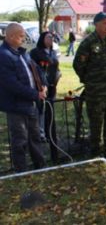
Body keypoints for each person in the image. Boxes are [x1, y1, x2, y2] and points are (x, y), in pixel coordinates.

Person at [73, 12, 106, 160]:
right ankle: (97, 153)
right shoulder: (88, 43)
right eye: (104, 23)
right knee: (97, 124)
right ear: (96, 25)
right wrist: (89, 80)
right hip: (96, 92)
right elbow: (78, 65)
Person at [0, 23, 46, 172]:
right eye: (21, 36)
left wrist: (43, 84)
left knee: (35, 137)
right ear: (11, 36)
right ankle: (21, 172)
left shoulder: (22, 52)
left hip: (31, 103)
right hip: (16, 105)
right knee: (20, 140)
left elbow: (36, 69)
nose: (24, 38)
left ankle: (40, 167)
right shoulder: (3, 55)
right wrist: (35, 94)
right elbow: (11, 84)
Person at [30, 32, 61, 152]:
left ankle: (50, 133)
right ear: (42, 39)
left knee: (50, 109)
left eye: (52, 38)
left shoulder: (53, 52)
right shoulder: (35, 52)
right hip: (40, 86)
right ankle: (40, 133)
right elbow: (33, 68)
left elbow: (56, 67)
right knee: (40, 109)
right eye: (48, 37)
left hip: (52, 85)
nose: (51, 39)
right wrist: (41, 84)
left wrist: (57, 76)